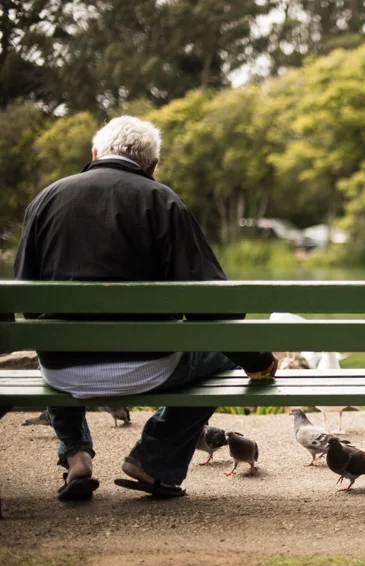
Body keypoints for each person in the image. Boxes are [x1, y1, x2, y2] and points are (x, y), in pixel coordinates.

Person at [14, 116, 278, 501]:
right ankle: (153, 461)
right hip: (149, 368)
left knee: (57, 336)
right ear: (152, 166)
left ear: (94, 153)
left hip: (63, 370)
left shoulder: (46, 200)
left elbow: (27, 301)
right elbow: (211, 307)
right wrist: (256, 361)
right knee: (221, 357)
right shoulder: (163, 201)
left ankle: (76, 455)